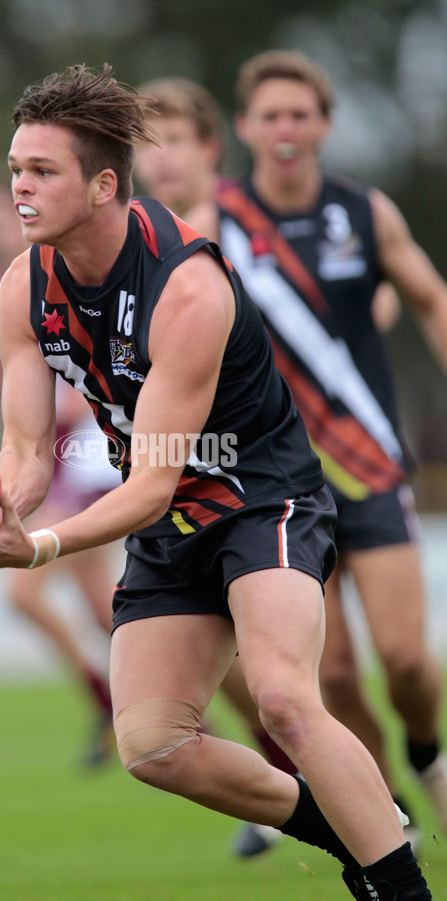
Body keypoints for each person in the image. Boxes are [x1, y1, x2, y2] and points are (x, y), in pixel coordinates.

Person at [0, 63, 432, 900]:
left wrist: (38, 545)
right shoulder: (23, 286)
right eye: (16, 169)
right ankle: (350, 831)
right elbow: (26, 451)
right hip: (169, 524)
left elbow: (155, 481)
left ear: (103, 184)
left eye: (42, 171)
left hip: (262, 496)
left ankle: (401, 886)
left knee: (283, 698)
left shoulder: (185, 286)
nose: (20, 188)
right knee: (153, 745)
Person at [133, 74, 409, 859]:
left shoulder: (246, 229)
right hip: (221, 479)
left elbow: (354, 302)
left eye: (175, 141)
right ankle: (365, 805)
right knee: (308, 676)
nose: (161, 160)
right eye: (145, 145)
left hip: (323, 468)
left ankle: (409, 764)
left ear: (212, 149)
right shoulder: (135, 253)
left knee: (390, 666)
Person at [212, 50, 447, 849]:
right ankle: (390, 813)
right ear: (244, 127)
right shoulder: (216, 223)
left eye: (299, 115)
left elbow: (431, 298)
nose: (285, 129)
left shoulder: (364, 211)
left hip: (371, 463)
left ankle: (429, 751)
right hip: (282, 478)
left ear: (323, 125)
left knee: (409, 660)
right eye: (269, 115)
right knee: (335, 676)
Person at [0, 164, 120, 766]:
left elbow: (82, 378)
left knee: (23, 593)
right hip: (44, 452)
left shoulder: (65, 269)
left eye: (6, 213)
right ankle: (163, 709)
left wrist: (79, 391)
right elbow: (9, 392)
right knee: (108, 609)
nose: (1, 227)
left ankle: (113, 704)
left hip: (85, 449)